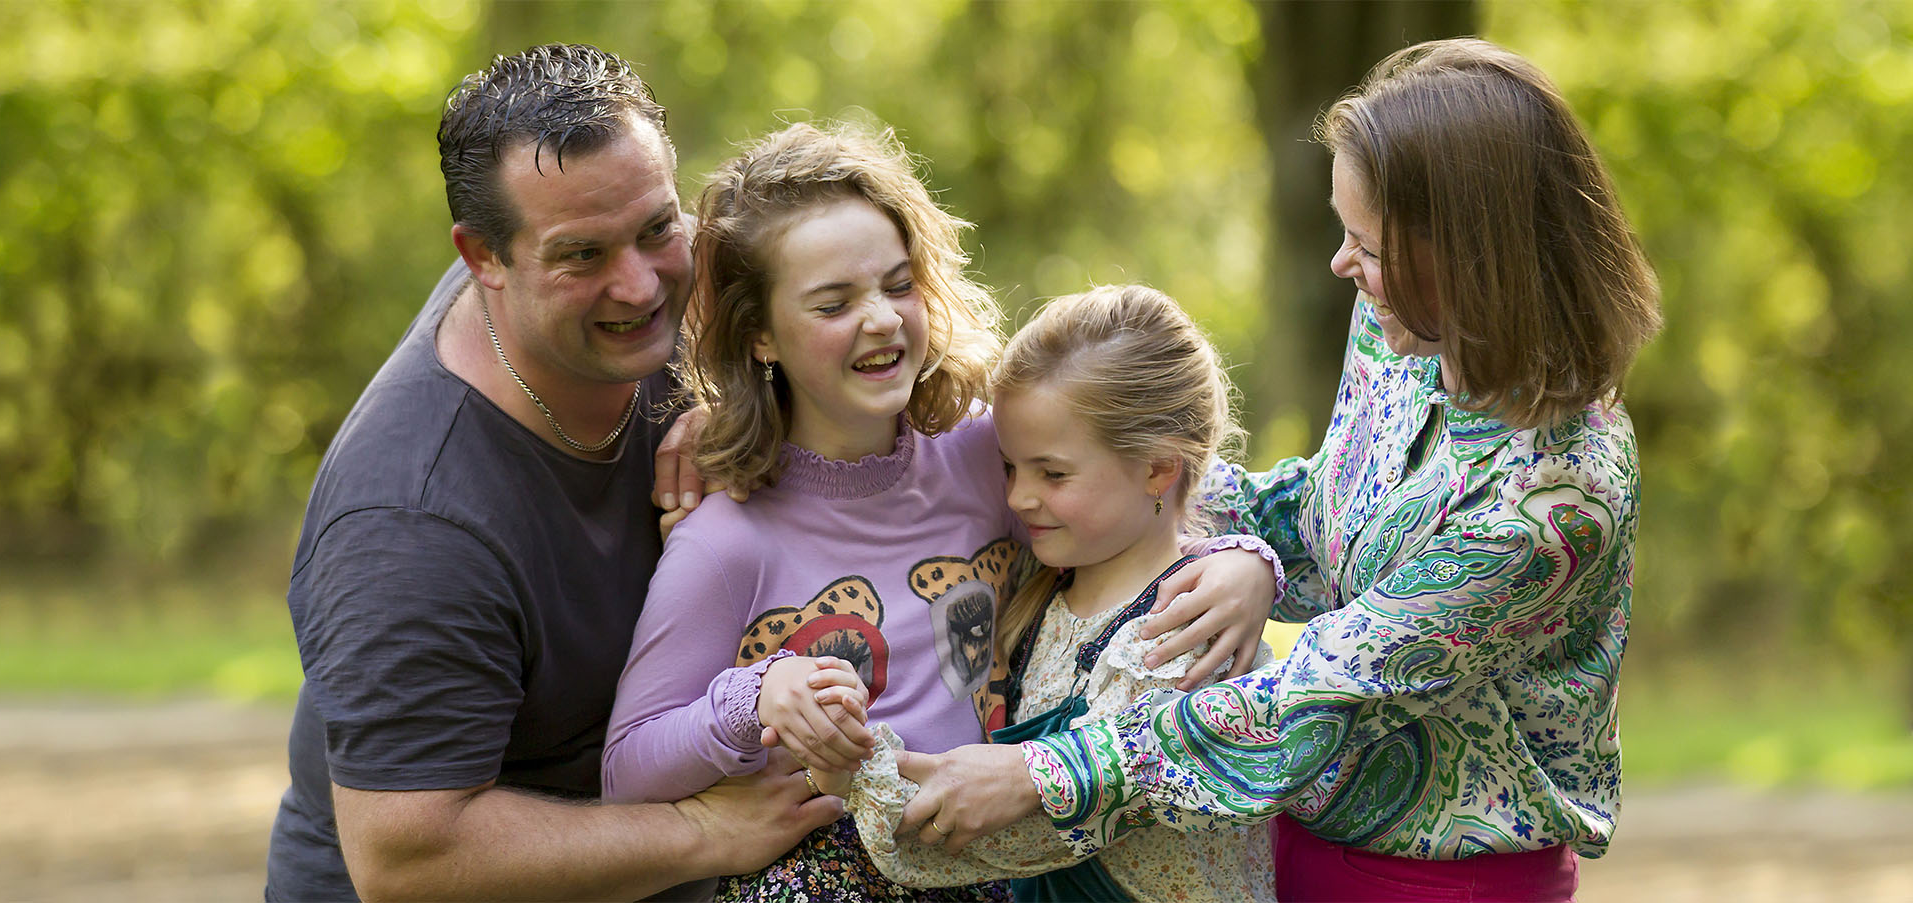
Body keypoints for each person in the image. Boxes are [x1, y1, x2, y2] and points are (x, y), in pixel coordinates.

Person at [893, 37, 1663, 903]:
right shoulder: (1406, 325)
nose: (1343, 265)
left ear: (1470, 255)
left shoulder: (1555, 500)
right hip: (1288, 839)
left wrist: (1041, 773)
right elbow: (1321, 502)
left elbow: (1321, 693)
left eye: (1367, 245)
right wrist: (1243, 552)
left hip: (1439, 880)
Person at [598, 124, 1282, 902]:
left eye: (897, 284)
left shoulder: (991, 454)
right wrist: (756, 695)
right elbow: (628, 769)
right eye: (834, 302)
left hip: (1017, 858)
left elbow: (1163, 485)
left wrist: (1244, 561)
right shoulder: (727, 539)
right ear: (760, 335)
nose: (883, 319)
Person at [264, 44, 839, 903]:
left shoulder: (663, 293)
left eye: (656, 229)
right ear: (483, 258)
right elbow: (408, 857)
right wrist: (704, 831)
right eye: (583, 256)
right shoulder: (414, 522)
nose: (641, 286)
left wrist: (750, 409)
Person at [815, 284, 1282, 902]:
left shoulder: (1183, 628)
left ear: (1158, 469)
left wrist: (854, 771)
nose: (1018, 498)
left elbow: (1025, 830)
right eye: (1010, 467)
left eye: (1052, 474)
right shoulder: (1038, 597)